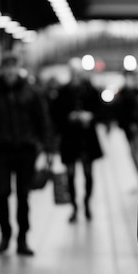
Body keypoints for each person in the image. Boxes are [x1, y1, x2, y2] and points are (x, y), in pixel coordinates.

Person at [0, 53, 51, 256]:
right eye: (7, 67)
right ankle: (5, 233)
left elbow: (43, 121)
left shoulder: (31, 93)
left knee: (23, 196)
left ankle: (22, 238)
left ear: (18, 68)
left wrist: (47, 148)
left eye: (13, 67)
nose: (10, 71)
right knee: (2, 193)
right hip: (2, 151)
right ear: (1, 70)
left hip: (26, 151)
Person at [51, 58, 103, 223]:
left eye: (78, 72)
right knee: (70, 175)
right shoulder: (63, 91)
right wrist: (69, 117)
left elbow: (101, 109)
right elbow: (55, 114)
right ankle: (74, 206)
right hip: (70, 139)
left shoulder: (90, 90)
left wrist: (91, 116)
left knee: (88, 174)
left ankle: (87, 203)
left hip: (87, 139)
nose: (76, 75)